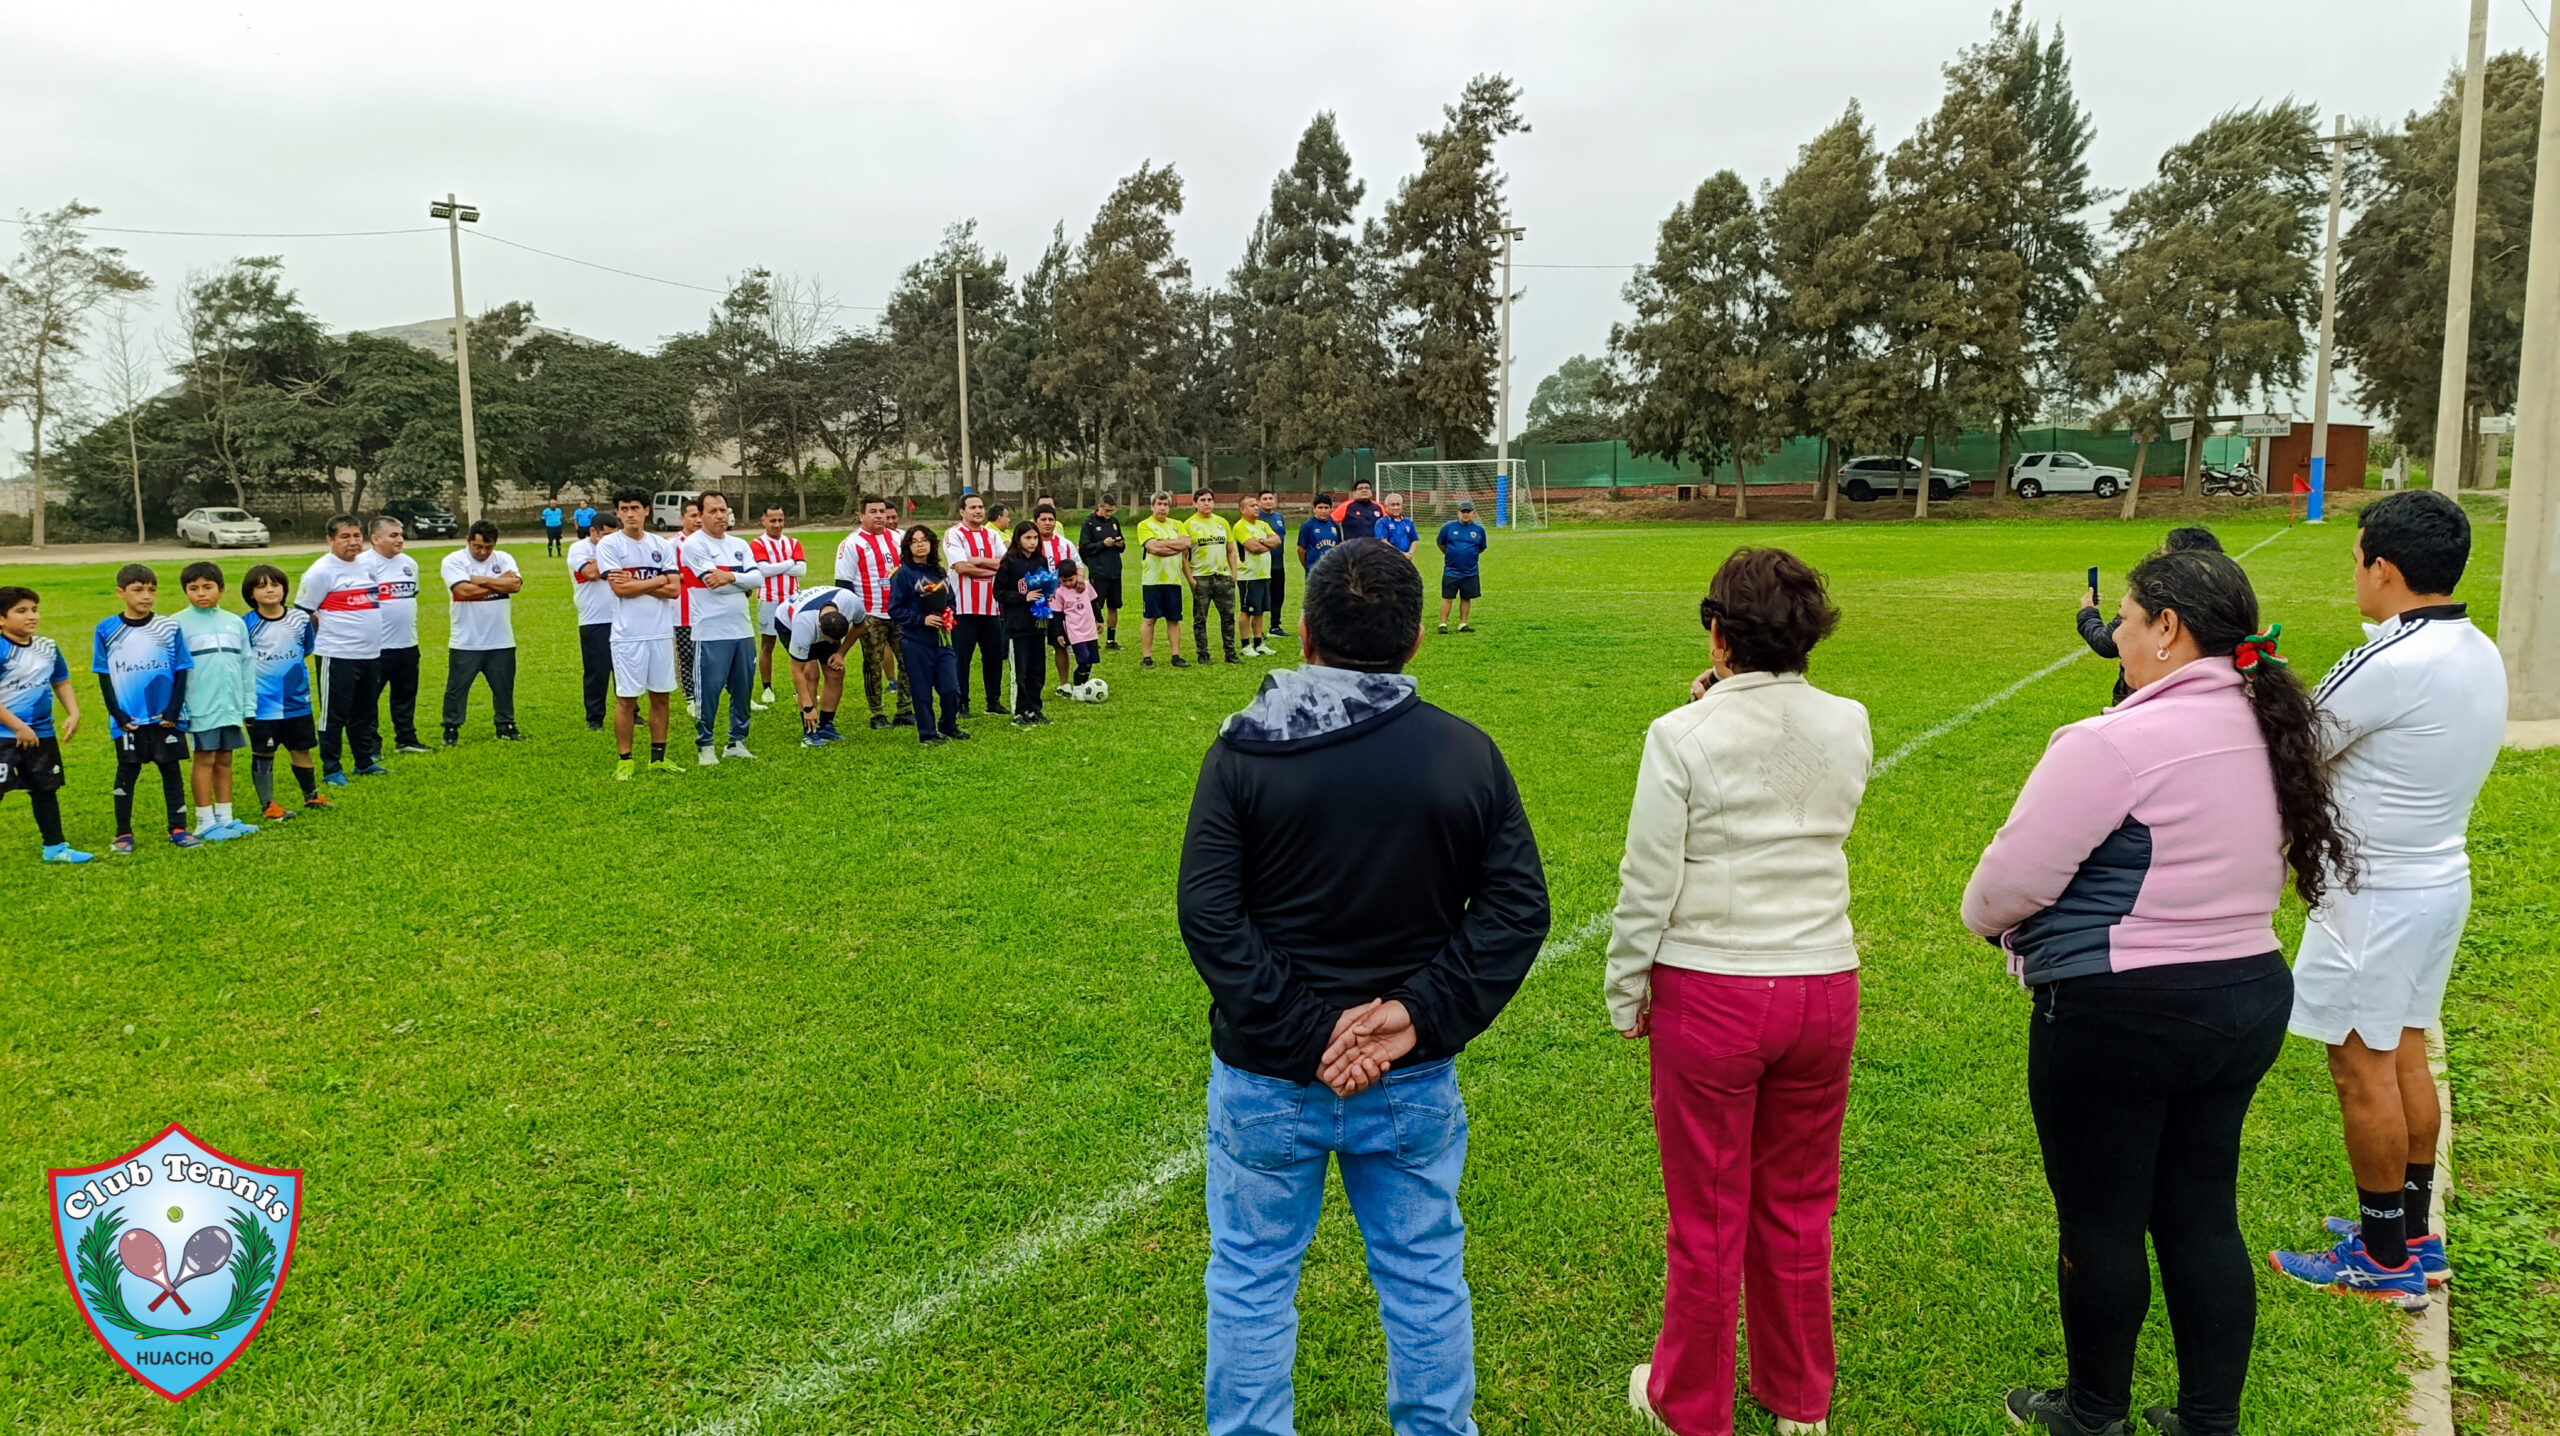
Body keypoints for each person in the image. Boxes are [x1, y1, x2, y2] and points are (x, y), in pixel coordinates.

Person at [1962, 547, 2354, 1436]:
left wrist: (1989, 926)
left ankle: (2093, 1410)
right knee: (2202, 1213)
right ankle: (2208, 1419)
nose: (2121, 641)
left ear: (2168, 629)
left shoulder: (2114, 741)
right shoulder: (2274, 727)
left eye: (2129, 621)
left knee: (2102, 1221)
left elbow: (2005, 883)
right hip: (2248, 995)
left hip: (2121, 1010)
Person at [1178, 537, 1550, 1436]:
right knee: (1422, 1271)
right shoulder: (1462, 753)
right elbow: (1516, 910)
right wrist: (1380, 1027)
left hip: (1279, 1076)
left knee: (1253, 1278)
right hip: (1381, 1073)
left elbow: (1210, 918)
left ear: (1303, 634)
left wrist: (1391, 1020)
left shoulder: (1245, 752)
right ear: (1417, 639)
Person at [1606, 548, 1870, 1436]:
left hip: (1716, 990)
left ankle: (1691, 1403)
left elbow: (1649, 880)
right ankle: (1799, 1398)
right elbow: (1793, 787)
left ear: (1718, 634)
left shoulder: (1681, 735)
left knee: (1707, 1215)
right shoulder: (1849, 721)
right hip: (1822, 984)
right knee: (1798, 1206)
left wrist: (1625, 983)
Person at [2270, 489, 2508, 1307]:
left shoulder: (2394, 654)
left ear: (2385, 568)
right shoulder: (2478, 648)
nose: (2356, 575)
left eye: (2359, 559)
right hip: (2436, 879)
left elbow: (2299, 744)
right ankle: (2409, 1234)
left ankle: (2380, 1261)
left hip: (2372, 894)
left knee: (2359, 1064)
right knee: (2404, 1048)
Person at [93, 564, 200, 853]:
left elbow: (181, 670)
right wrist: (119, 715)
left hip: (164, 719)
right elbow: (104, 677)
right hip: (130, 720)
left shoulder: (168, 627)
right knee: (127, 772)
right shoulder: (106, 630)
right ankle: (123, 833)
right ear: (121, 593)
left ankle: (178, 828)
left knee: (171, 772)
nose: (146, 596)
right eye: (138, 590)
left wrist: (173, 712)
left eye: (151, 590)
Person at [597, 488, 686, 781]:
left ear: (647, 510)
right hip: (627, 635)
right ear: (619, 512)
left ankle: (658, 758)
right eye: (624, 509)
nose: (630, 514)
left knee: (661, 698)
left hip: (660, 633)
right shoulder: (609, 545)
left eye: (635, 507)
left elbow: (674, 590)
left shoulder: (662, 545)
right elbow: (619, 589)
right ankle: (625, 760)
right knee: (627, 699)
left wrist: (639, 581)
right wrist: (660, 578)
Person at [2078, 528, 2224, 705]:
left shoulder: (2152, 594)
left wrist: (2088, 611)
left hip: (2148, 698)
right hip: (2207, 697)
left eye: (2163, 554)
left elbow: (2106, 643)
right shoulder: (2224, 596)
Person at [0, 585, 91, 863]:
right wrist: (16, 726)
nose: (32, 616)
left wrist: (73, 712)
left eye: (34, 610)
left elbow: (60, 679)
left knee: (45, 788)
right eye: (22, 611)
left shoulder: (47, 647)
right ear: (2, 619)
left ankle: (54, 848)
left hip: (41, 732)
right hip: (4, 736)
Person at [682, 492, 773, 764]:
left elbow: (757, 579)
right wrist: (742, 582)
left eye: (723, 509)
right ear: (700, 515)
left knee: (743, 690)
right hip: (710, 632)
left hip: (742, 630)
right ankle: (706, 745)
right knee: (708, 692)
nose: (720, 515)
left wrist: (732, 576)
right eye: (712, 511)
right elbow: (713, 583)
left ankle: (736, 741)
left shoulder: (739, 544)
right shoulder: (694, 545)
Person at [300, 516, 387, 784]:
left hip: (370, 654)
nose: (353, 542)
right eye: (345, 537)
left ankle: (363, 762)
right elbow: (303, 614)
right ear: (330, 540)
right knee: (334, 714)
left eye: (356, 536)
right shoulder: (320, 572)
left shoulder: (368, 564)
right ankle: (332, 769)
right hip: (337, 655)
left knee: (364, 712)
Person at [174, 562, 258, 842]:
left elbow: (246, 665)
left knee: (225, 759)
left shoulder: (235, 623)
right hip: (199, 707)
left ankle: (226, 817)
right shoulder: (177, 624)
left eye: (207, 587)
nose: (200, 593)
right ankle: (204, 821)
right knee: (205, 759)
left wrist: (248, 705)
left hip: (230, 706)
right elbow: (175, 672)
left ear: (221, 590)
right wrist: (181, 707)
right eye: (193, 588)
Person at [241, 564, 329, 822]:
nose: (269, 590)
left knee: (301, 748)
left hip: (296, 702)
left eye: (275, 584)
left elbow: (305, 649)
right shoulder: (245, 625)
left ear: (284, 589)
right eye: (261, 586)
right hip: (262, 704)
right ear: (251, 594)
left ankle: (311, 795)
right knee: (264, 752)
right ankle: (268, 804)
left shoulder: (301, 619)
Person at [440, 521, 524, 745]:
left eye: (488, 547)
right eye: (477, 546)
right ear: (468, 541)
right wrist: (499, 582)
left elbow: (515, 586)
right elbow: (463, 591)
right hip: (466, 640)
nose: (483, 552)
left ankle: (506, 725)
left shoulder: (504, 558)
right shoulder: (454, 560)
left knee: (504, 686)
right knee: (457, 688)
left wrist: (481, 580)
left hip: (501, 639)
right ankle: (451, 729)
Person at [886, 525, 969, 745]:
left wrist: (948, 615)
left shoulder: (939, 572)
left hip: (941, 640)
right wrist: (921, 619)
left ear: (931, 543)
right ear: (908, 546)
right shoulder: (902, 574)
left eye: (924, 540)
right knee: (922, 690)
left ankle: (949, 725)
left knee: (951, 687)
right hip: (915, 640)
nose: (920, 544)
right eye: (915, 541)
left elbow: (950, 600)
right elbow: (894, 609)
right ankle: (928, 733)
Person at [837, 496, 911, 731]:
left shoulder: (900, 538)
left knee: (907, 660)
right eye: (873, 511)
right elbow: (843, 584)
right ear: (861, 516)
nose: (879, 515)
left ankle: (904, 709)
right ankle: (877, 712)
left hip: (900, 613)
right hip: (871, 614)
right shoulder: (852, 543)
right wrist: (855, 616)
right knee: (872, 664)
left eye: (882, 511)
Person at [944, 493, 1010, 715]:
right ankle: (962, 703)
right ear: (962, 511)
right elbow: (962, 568)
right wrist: (992, 569)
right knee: (961, 659)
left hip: (991, 607)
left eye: (981, 507)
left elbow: (1007, 564)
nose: (978, 511)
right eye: (973, 507)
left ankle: (994, 701)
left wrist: (978, 561)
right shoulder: (954, 534)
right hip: (963, 609)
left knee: (993, 657)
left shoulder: (992, 535)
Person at [777, 583, 868, 745]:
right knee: (810, 674)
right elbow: (796, 670)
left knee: (836, 672)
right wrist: (808, 707)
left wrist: (841, 653)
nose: (831, 643)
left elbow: (860, 626)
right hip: (788, 623)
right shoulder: (804, 624)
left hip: (822, 619)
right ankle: (809, 732)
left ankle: (826, 726)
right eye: (828, 640)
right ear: (820, 628)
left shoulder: (852, 603)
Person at [368, 517, 427, 754]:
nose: (400, 539)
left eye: (401, 534)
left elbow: (413, 594)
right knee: (368, 700)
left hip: (407, 643)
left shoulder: (409, 564)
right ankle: (371, 745)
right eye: (393, 535)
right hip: (374, 647)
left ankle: (406, 739)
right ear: (375, 538)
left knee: (405, 695)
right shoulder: (363, 564)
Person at [993, 520, 1056, 727]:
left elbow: (1047, 585)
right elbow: (999, 592)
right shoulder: (1009, 561)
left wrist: (1047, 594)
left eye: (1035, 537)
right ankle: (1019, 711)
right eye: (1027, 537)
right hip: (1017, 625)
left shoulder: (1041, 560)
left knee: (1037, 669)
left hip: (1037, 623)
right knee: (1020, 670)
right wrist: (1023, 597)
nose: (1032, 541)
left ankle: (1035, 709)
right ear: (1018, 539)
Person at [750, 504, 808, 707]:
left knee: (799, 644)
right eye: (772, 520)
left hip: (793, 600)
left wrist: (779, 567)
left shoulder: (793, 542)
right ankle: (767, 688)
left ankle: (799, 689)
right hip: (769, 599)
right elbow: (763, 570)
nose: (777, 524)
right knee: (768, 645)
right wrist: (789, 563)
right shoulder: (758, 543)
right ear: (763, 520)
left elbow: (802, 570)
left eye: (780, 520)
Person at [568, 510, 619, 732]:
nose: (610, 540)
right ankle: (595, 717)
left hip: (622, 614)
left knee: (625, 668)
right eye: (605, 535)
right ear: (593, 532)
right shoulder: (578, 549)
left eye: (613, 535)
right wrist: (608, 560)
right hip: (594, 617)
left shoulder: (620, 546)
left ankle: (630, 711)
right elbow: (589, 573)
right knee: (597, 670)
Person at [1136, 490, 1193, 670]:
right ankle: (1147, 658)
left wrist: (1164, 545)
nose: (1162, 508)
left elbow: (1186, 544)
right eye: (1159, 504)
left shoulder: (1178, 524)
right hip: (1152, 581)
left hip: (1173, 580)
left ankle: (1175, 656)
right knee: (1149, 619)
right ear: (1152, 506)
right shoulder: (1144, 525)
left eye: (1165, 504)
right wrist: (1173, 546)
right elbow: (1153, 548)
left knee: (1173, 619)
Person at [1185, 489, 1241, 666]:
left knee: (1228, 618)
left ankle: (1230, 653)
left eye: (1210, 499)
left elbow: (1231, 550)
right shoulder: (1188, 525)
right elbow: (1183, 557)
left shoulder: (1222, 522)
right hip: (1201, 577)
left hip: (1222, 577)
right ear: (1195, 503)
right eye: (1202, 500)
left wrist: (1233, 573)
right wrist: (1190, 579)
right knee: (1200, 619)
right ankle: (1203, 653)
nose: (1207, 503)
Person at [1035, 505, 1081, 687]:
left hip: (1061, 604)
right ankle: (1035, 684)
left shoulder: (1064, 544)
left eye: (1051, 520)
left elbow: (1079, 566)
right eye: (1043, 520)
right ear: (1036, 521)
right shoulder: (1031, 543)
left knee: (1061, 643)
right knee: (1036, 645)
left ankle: (1064, 684)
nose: (1047, 523)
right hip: (1037, 602)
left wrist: (1081, 579)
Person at [1231, 494, 1279, 657]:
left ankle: (1258, 643)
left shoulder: (1263, 525)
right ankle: (1245, 644)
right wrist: (1266, 543)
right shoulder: (1240, 526)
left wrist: (1262, 542)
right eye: (1252, 506)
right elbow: (1253, 547)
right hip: (1248, 576)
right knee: (1247, 610)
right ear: (1242, 510)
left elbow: (1277, 540)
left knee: (1259, 611)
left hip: (1263, 574)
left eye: (1256, 505)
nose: (1256, 507)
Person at [1080, 493, 1128, 649]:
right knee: (1095, 606)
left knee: (1114, 606)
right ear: (1099, 507)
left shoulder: (1114, 522)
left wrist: (1120, 544)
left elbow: (1121, 542)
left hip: (1114, 571)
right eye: (1107, 510)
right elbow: (1084, 549)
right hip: (1098, 572)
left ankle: (1111, 640)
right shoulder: (1089, 523)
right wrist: (1102, 544)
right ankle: (1092, 640)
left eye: (1112, 511)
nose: (1109, 514)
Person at [1436, 500, 1489, 634]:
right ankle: (1443, 624)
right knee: (1447, 597)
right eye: (1463, 512)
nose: (1466, 515)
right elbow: (1441, 543)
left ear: (1474, 513)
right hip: (1451, 570)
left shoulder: (1479, 530)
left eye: (1468, 512)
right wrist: (1451, 554)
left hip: (1470, 571)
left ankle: (1463, 623)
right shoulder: (1448, 527)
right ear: (1458, 513)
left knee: (1466, 597)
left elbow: (1481, 547)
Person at [673, 497, 704, 717]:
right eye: (692, 515)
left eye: (699, 515)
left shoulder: (710, 542)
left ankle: (737, 695)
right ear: (682, 518)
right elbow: (669, 574)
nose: (697, 520)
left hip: (709, 610)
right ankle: (691, 698)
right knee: (687, 656)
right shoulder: (671, 544)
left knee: (716, 655)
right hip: (682, 612)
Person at [1056, 560, 1103, 695]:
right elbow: (1058, 615)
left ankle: (1084, 684)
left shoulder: (1086, 586)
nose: (1068, 583)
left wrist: (1100, 620)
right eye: (1064, 581)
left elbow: (1094, 603)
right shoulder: (1059, 592)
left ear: (1077, 575)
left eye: (1071, 580)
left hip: (1090, 629)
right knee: (1083, 659)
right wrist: (1059, 633)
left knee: (1091, 660)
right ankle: (1077, 688)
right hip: (1075, 632)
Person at [1258, 490, 1292, 638]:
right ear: (1259, 502)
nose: (1268, 501)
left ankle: (1275, 626)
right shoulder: (1257, 518)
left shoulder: (1279, 517)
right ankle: (1258, 629)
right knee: (1260, 597)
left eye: (1270, 498)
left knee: (1278, 595)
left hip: (1278, 564)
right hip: (1262, 564)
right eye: (1264, 499)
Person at [1295, 493, 1341, 591]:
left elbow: (1339, 547)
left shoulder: (1335, 526)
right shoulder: (1308, 525)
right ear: (1314, 508)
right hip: (1315, 571)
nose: (1323, 511)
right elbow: (1301, 550)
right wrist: (1307, 565)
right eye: (1320, 508)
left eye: (1326, 508)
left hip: (1332, 572)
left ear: (1331, 509)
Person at [1376, 492, 1418, 557]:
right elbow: (1383, 542)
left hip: (1406, 560)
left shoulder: (1408, 522)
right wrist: (1402, 554)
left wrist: (1410, 554)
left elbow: (1414, 540)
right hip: (1389, 560)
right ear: (1386, 507)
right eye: (1393, 505)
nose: (1396, 507)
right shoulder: (1382, 522)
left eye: (1398, 504)